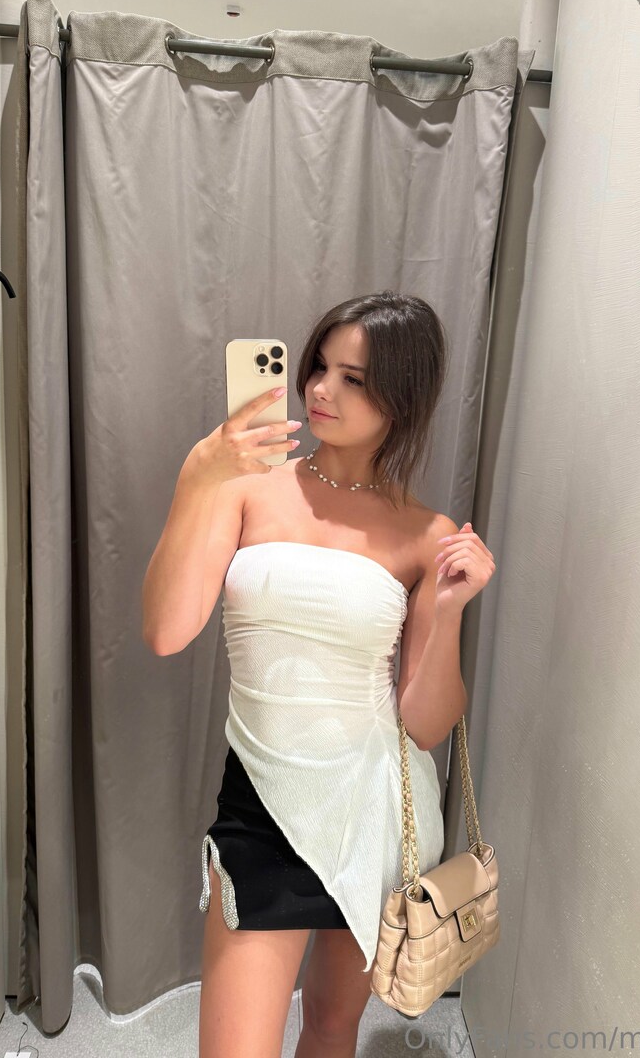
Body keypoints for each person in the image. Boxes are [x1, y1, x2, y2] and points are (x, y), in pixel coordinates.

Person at [141, 290, 496, 1058]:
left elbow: (425, 724)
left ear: (403, 398)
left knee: (333, 1027)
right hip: (264, 800)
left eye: (354, 379)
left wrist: (450, 610)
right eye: (320, 367)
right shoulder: (243, 486)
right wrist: (198, 475)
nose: (321, 390)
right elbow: (166, 631)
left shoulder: (425, 533)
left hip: (376, 806)